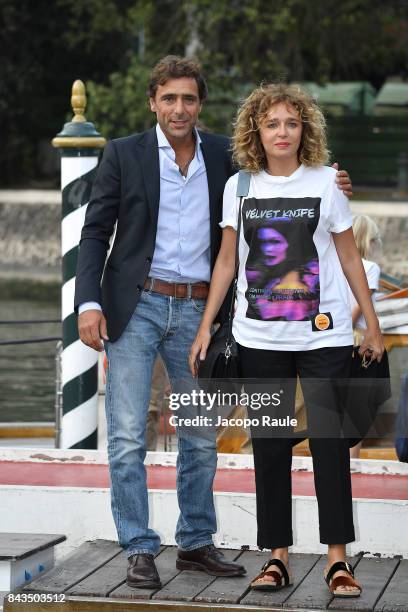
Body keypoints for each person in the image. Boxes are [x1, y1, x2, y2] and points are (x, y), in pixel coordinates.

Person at [74, 55, 353, 590]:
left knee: (200, 437)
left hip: (201, 313)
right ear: (153, 101)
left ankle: (196, 543)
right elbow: (94, 235)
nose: (180, 108)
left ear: (200, 104)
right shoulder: (122, 155)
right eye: (169, 98)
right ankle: (138, 546)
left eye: (189, 98)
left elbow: (289, 176)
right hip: (136, 307)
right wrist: (89, 303)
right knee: (129, 434)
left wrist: (337, 180)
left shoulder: (227, 160)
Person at [189, 83, 383, 598]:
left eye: (291, 123)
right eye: (272, 123)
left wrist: (372, 324)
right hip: (259, 338)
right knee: (271, 449)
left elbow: (347, 258)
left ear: (305, 130)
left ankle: (337, 561)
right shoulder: (241, 187)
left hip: (325, 338)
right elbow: (227, 261)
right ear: (257, 129)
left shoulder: (325, 183)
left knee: (330, 447)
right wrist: (207, 325)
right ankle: (276, 558)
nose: (282, 132)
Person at [348, 214, 382, 459]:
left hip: (329, 338)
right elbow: (359, 307)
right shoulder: (369, 268)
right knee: (357, 406)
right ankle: (352, 463)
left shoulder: (336, 264)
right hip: (357, 340)